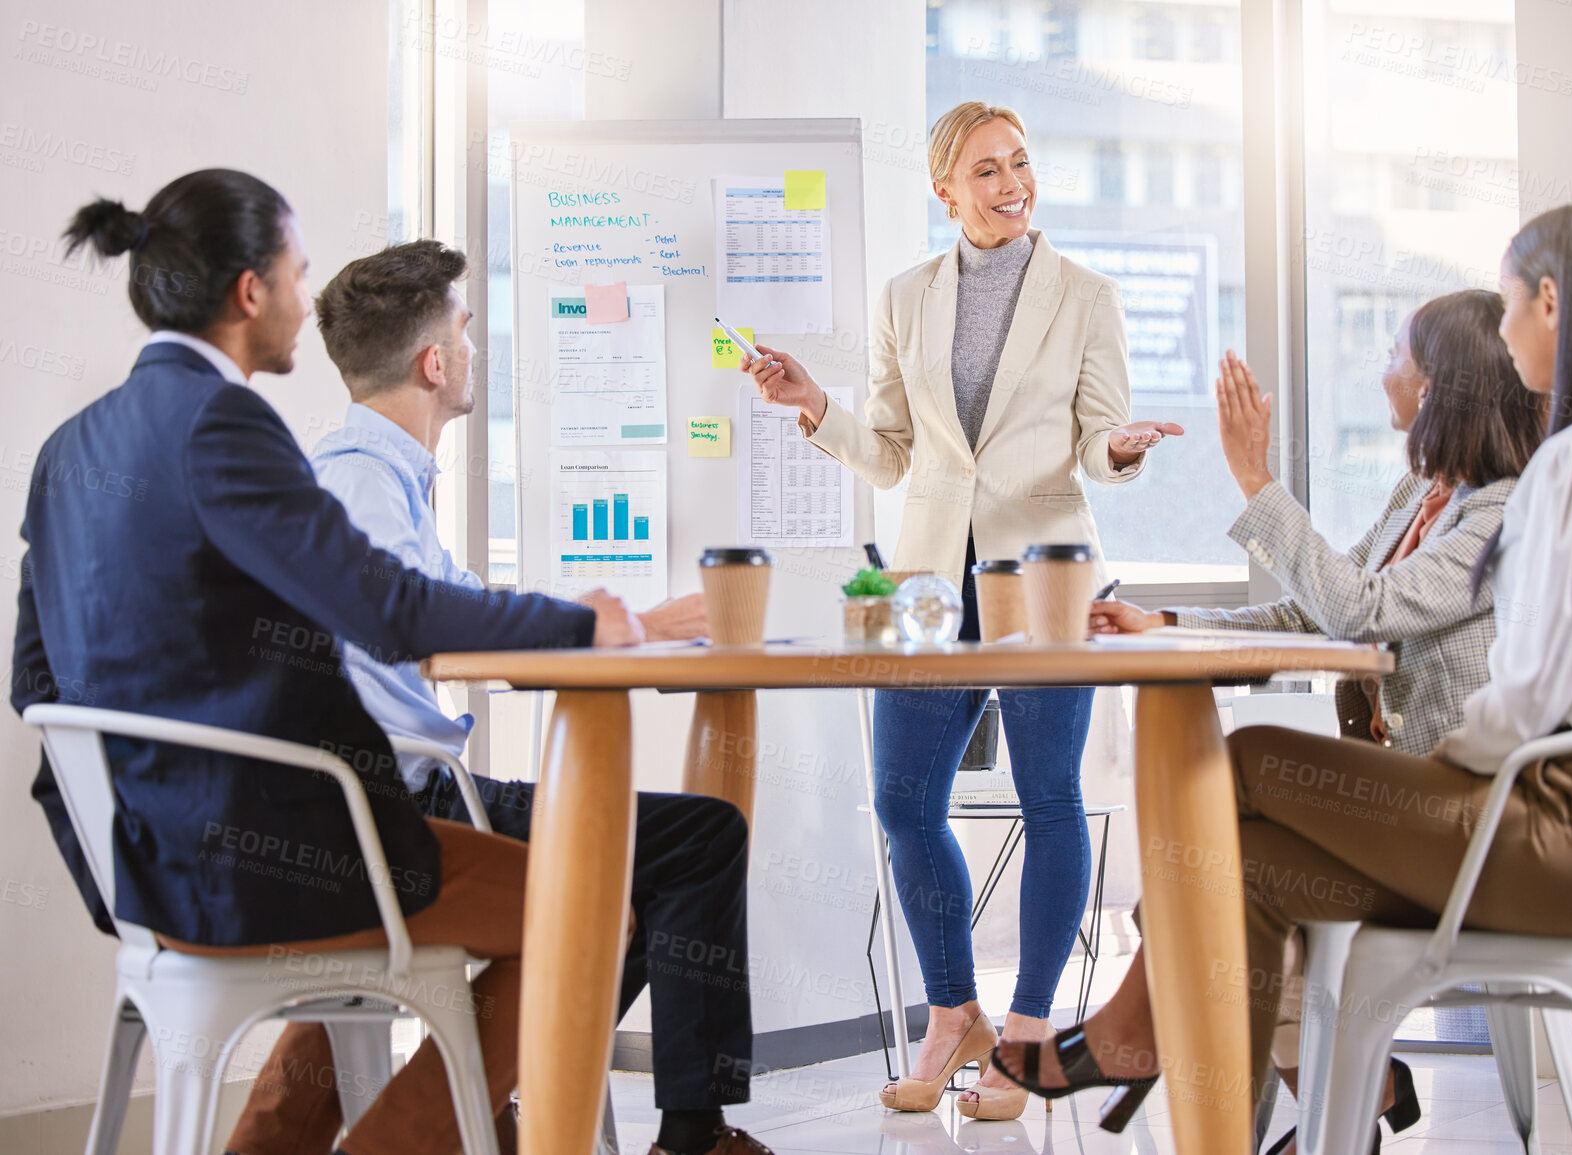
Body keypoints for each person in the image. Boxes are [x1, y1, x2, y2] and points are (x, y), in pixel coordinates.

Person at [9, 170, 748, 1155]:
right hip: (268, 860)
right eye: (296, 272)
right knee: (591, 909)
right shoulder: (221, 424)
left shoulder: (70, 447)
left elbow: (34, 684)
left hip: (146, 871)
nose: (303, 302)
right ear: (248, 292)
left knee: (540, 896)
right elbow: (382, 606)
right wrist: (580, 626)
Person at [990, 199, 1572, 1155]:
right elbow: (1354, 611)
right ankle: (1228, 1120)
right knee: (1243, 865)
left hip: (1562, 836)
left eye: (1506, 307)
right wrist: (1172, 622)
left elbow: (1531, 688)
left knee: (1242, 764)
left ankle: (1132, 1037)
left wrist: (1431, 771)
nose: (1502, 334)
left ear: (1549, 303)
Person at [206, 238, 761, 1155]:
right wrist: (596, 627)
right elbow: (414, 624)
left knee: (636, 858)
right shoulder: (358, 481)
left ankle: (482, 1094)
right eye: (464, 333)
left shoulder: (378, 476)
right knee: (693, 842)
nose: (471, 352)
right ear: (432, 362)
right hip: (393, 797)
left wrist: (609, 624)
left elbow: (449, 615)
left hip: (372, 793)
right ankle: (660, 1129)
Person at [742, 101, 1183, 1120]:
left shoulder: (1086, 295)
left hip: (1047, 580)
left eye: (1021, 163)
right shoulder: (908, 300)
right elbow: (895, 452)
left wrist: (1119, 451)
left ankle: (1027, 1032)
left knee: (1049, 800)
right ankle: (954, 1014)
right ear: (944, 187)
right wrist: (815, 405)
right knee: (904, 802)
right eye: (985, 170)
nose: (1010, 183)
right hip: (932, 585)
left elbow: (1097, 440)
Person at [1087, 289, 1547, 1139]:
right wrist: (1170, 623)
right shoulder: (1423, 492)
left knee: (1233, 854)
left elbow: (1360, 608)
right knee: (1232, 869)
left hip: (1456, 825)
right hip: (1398, 807)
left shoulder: (1504, 511)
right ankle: (1346, 1104)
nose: (1382, 371)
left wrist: (1256, 479)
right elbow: (1315, 610)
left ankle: (1295, 1089)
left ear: (1439, 382)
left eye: (1393, 354)